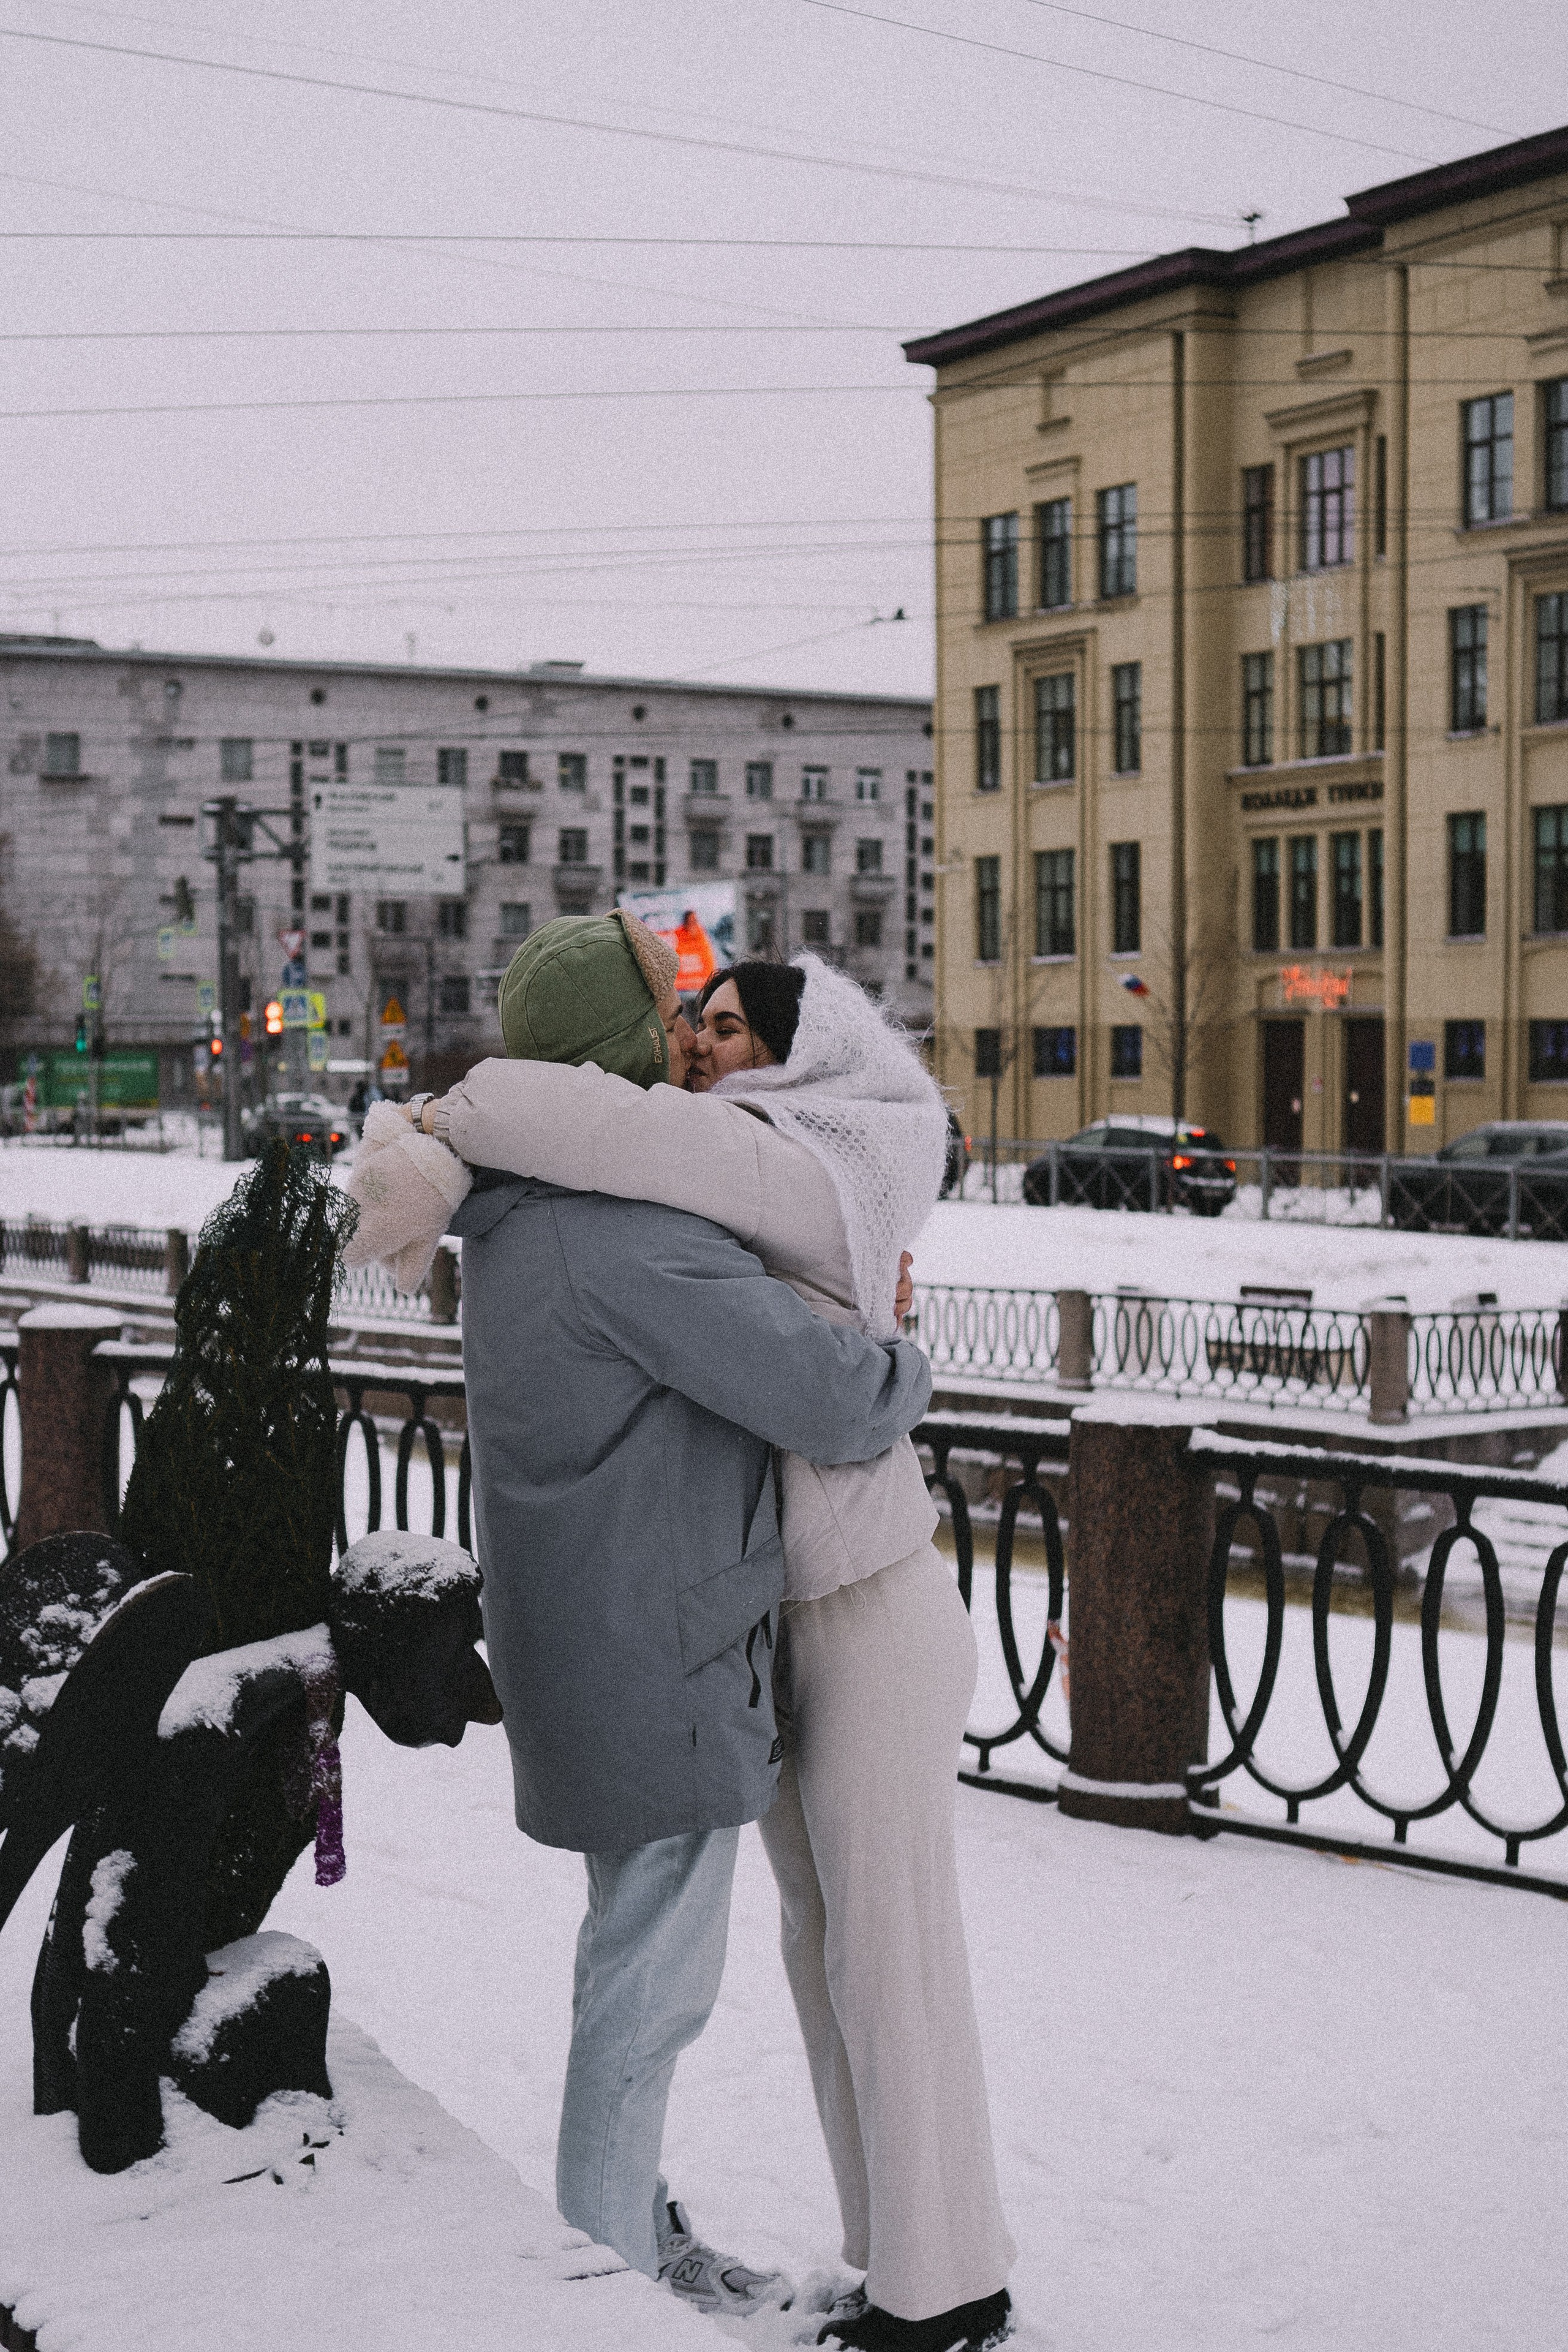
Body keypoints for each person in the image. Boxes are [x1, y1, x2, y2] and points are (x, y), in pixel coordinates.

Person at [355, 948, 1017, 2352]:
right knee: (791, 1956)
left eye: (722, 1025)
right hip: (731, 1624)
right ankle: (858, 2259)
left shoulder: (739, 1177)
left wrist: (444, 1128)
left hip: (853, 1606)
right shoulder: (639, 1211)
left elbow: (818, 1386)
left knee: (865, 1957)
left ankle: (937, 2283)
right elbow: (609, 1129)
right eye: (680, 1020)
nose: (696, 1042)